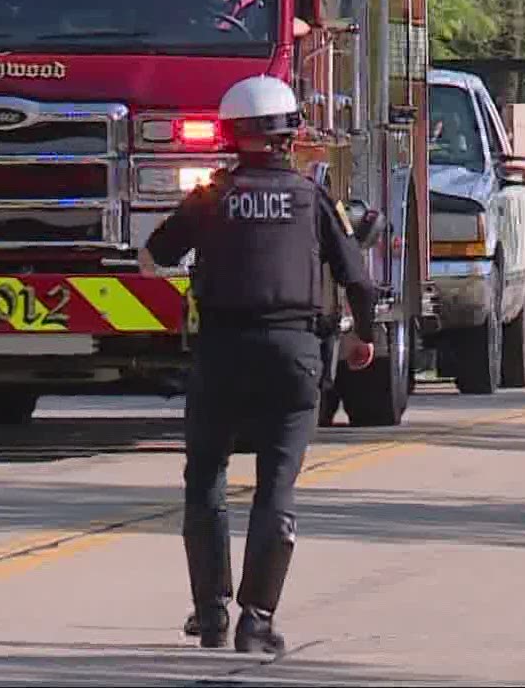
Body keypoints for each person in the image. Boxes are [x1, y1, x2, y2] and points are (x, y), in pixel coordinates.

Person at [138, 74, 377, 655]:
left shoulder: (211, 196)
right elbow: (360, 282)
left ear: (228, 133)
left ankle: (210, 614)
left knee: (205, 482)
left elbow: (149, 260)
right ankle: (257, 619)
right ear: (290, 134)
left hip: (221, 353)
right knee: (276, 486)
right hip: (293, 357)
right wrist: (362, 339)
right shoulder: (312, 198)